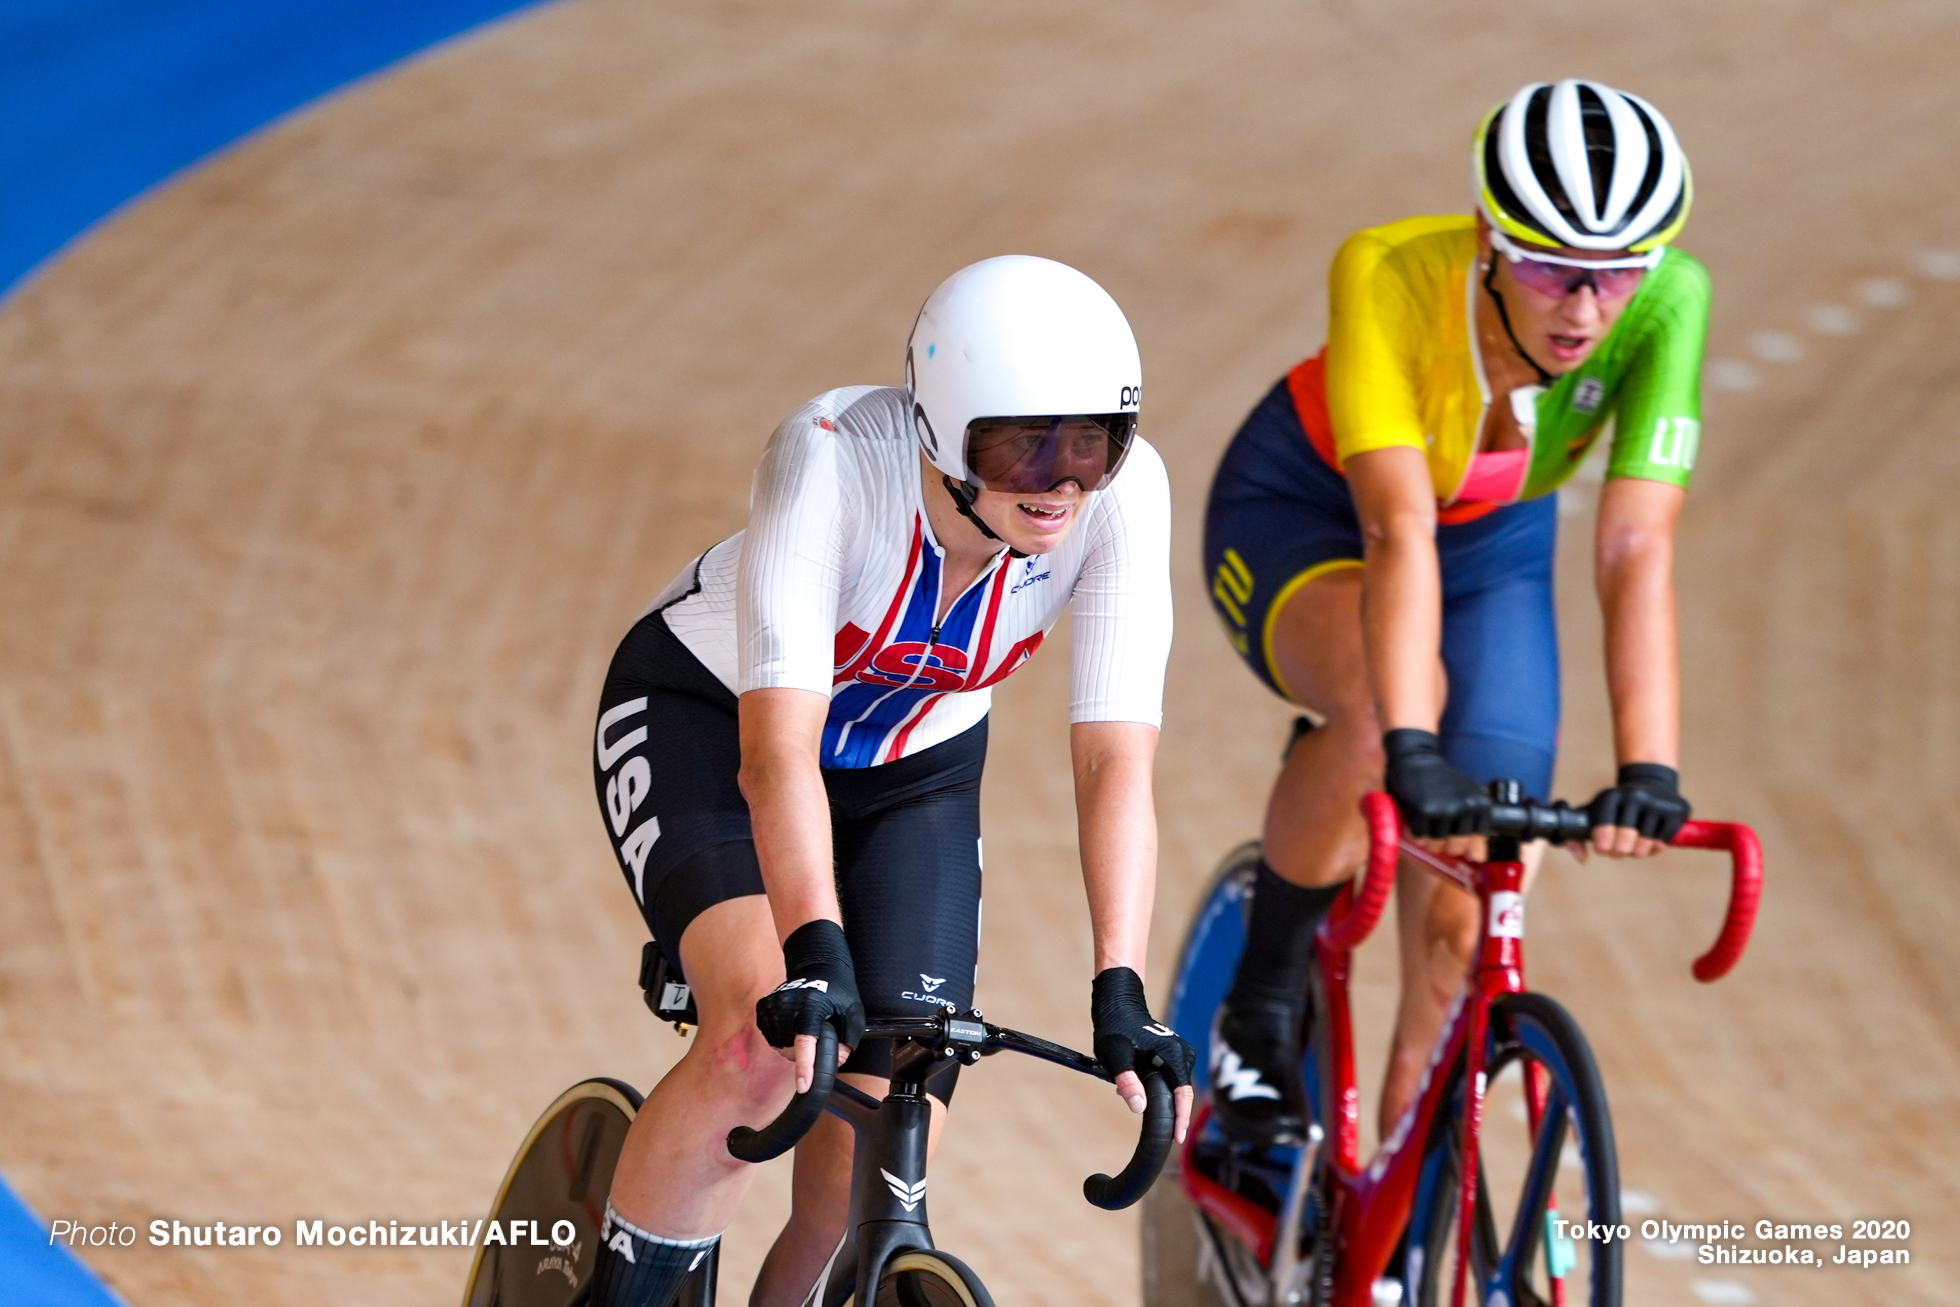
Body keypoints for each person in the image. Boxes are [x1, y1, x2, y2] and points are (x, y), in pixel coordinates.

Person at [587, 255, 1197, 1307]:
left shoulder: (1123, 500)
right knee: (757, 1046)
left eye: (1088, 444)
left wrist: (1120, 986)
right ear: (941, 433)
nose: (1057, 482)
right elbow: (776, 751)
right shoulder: (830, 457)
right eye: (1021, 444)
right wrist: (814, 952)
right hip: (710, 721)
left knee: (880, 1125)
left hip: (914, 774)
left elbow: (1113, 757)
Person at [1201, 79, 1703, 1143]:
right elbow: (1394, 531)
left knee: (1467, 911)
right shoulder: (1387, 268)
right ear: (1485, 232)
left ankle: (1399, 1211)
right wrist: (1411, 741)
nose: (1582, 307)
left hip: (1494, 544)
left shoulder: (1672, 298)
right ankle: (1259, 1004)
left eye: (1616, 274)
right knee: (1392, 710)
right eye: (1546, 266)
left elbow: (1631, 541)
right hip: (1314, 508)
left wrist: (1649, 767)